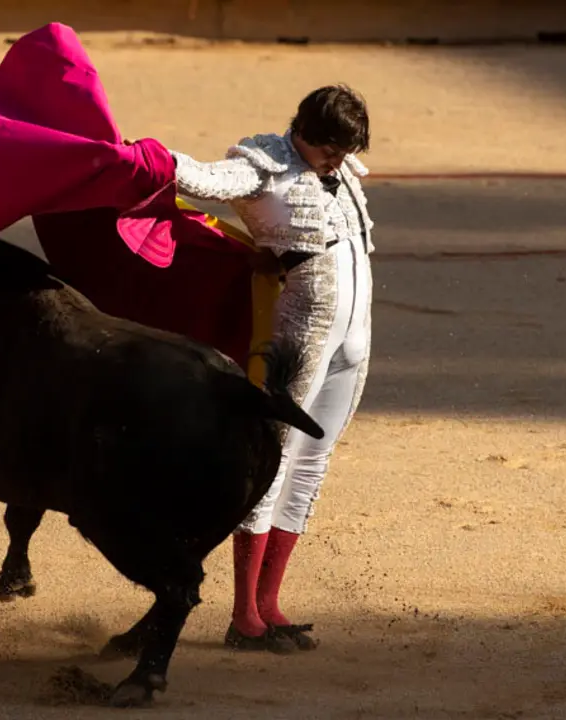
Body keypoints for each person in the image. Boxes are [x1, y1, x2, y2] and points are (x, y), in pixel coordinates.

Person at [169, 84, 375, 654]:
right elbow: (201, 180)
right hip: (296, 338)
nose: (341, 161)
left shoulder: (341, 164)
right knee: (274, 461)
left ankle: (269, 603)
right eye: (332, 149)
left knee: (313, 460)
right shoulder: (262, 166)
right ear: (306, 134)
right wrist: (147, 158)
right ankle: (242, 616)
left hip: (351, 341)